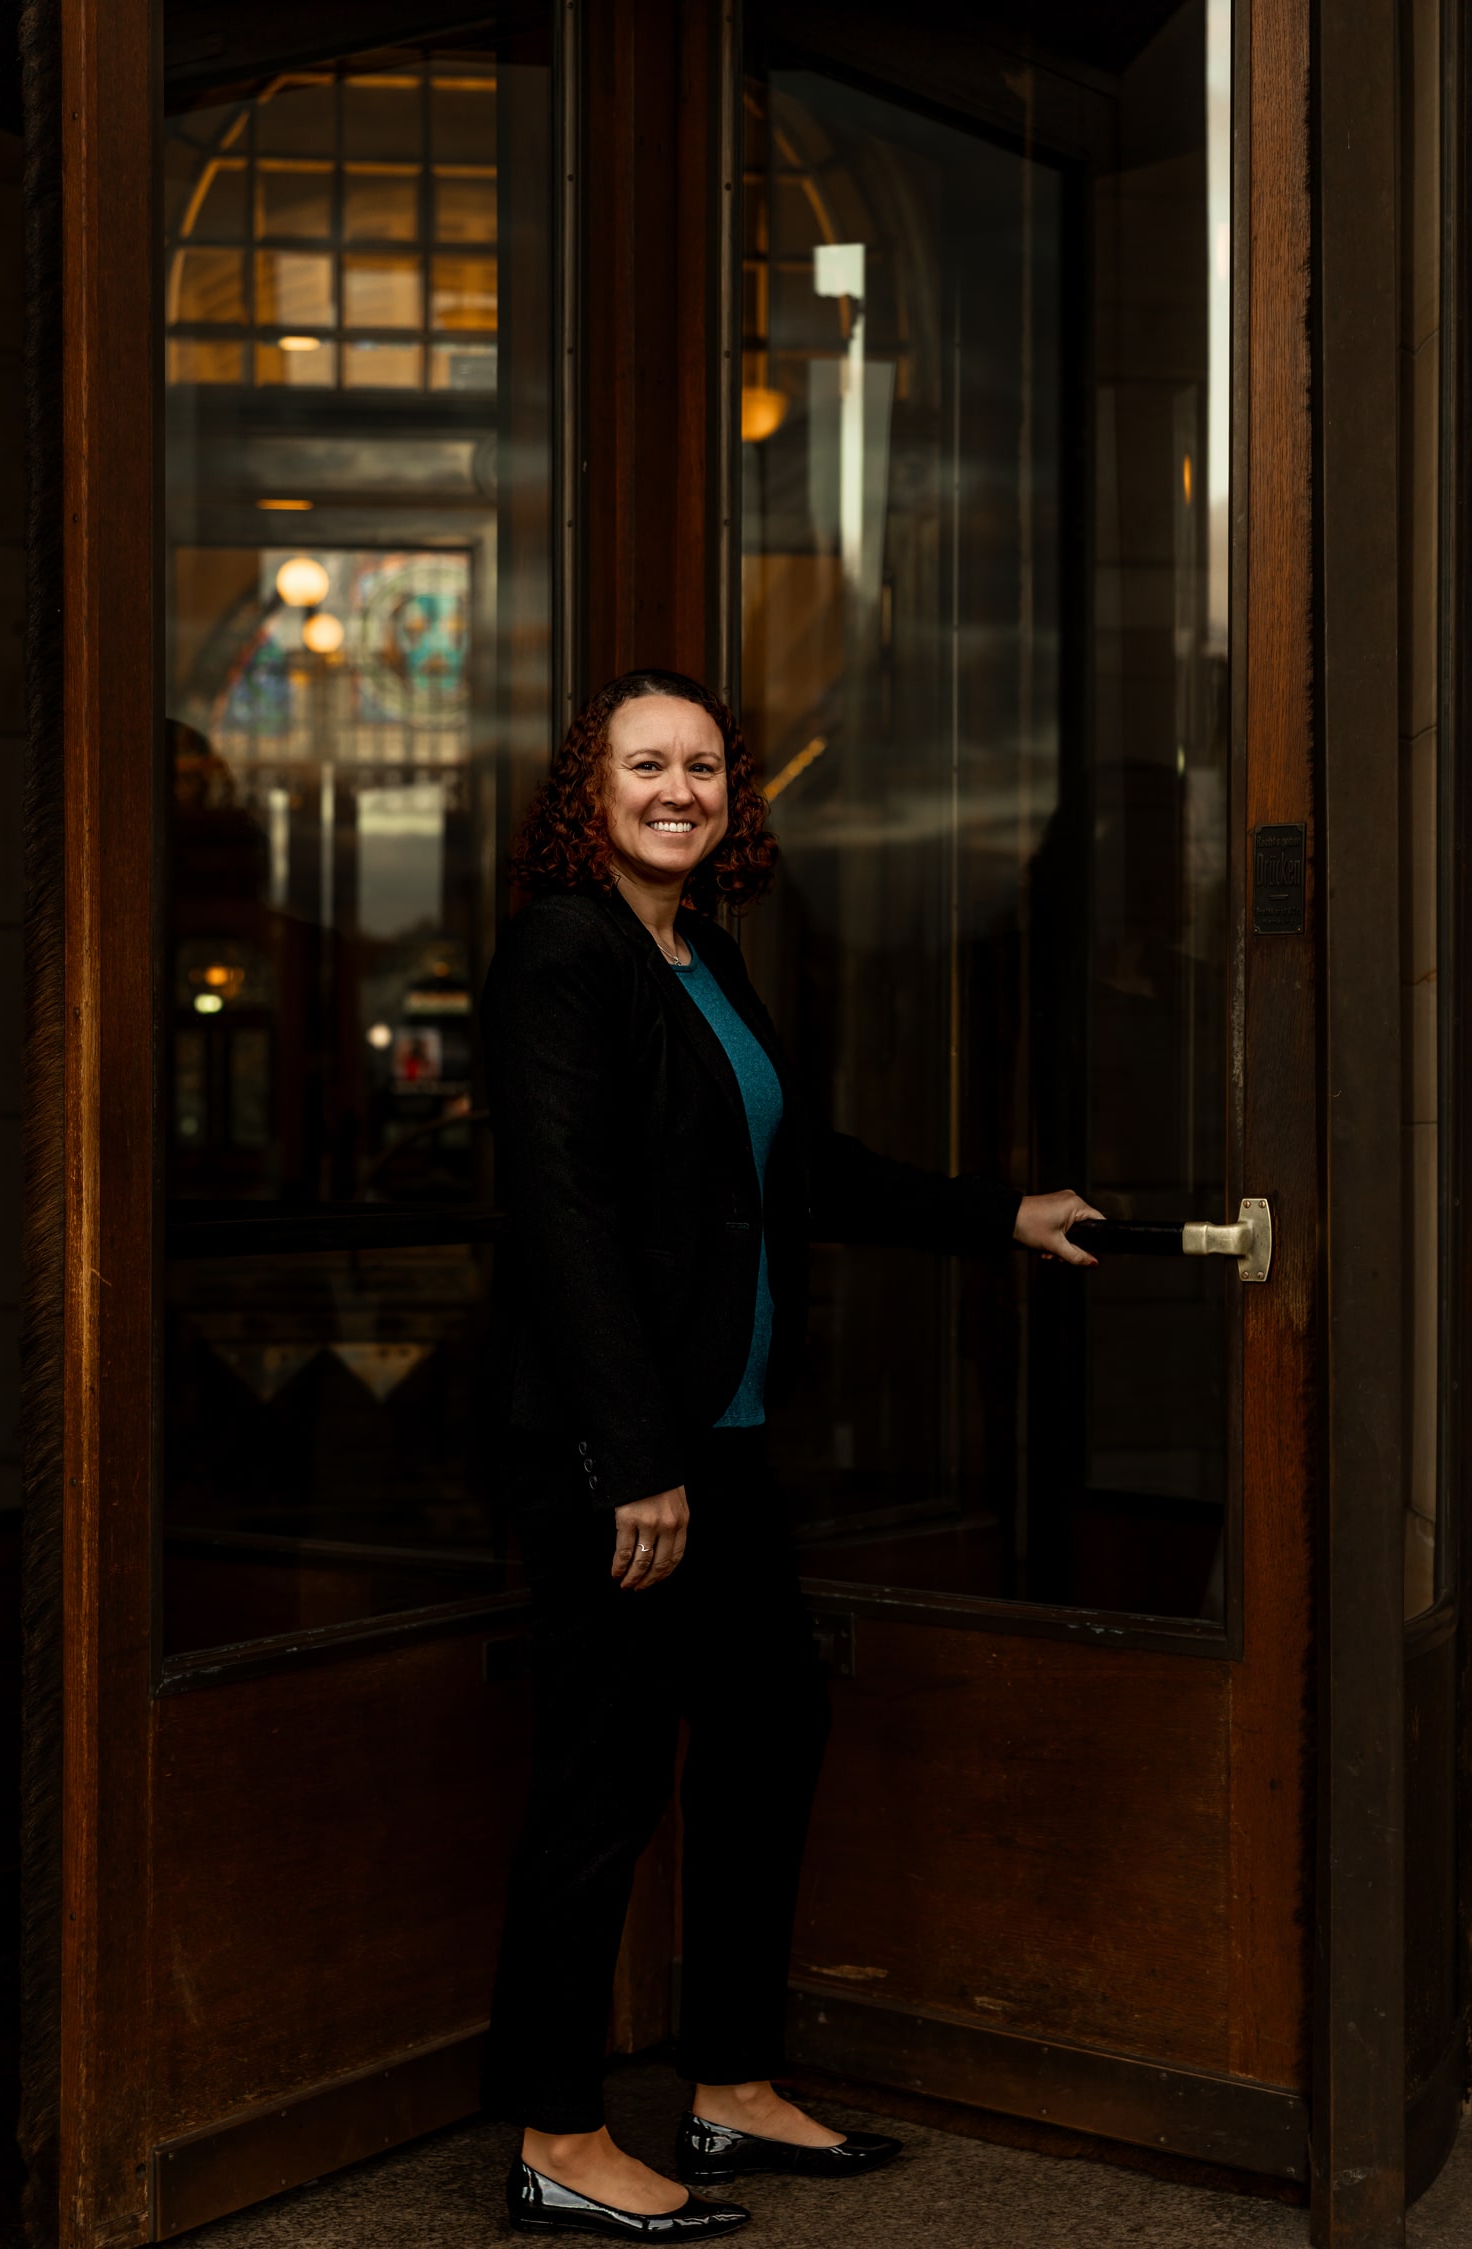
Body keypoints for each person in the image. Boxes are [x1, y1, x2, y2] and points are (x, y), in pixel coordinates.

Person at [481, 668, 1102, 2239]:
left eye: (702, 764)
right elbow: (564, 1217)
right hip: (620, 1460)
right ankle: (558, 2132)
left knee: (768, 1736)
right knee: (603, 1781)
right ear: (590, 791)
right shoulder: (566, 951)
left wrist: (1000, 1213)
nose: (678, 787)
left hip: (723, 1441)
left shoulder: (699, 956)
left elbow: (795, 1164)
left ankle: (731, 2086)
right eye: (645, 764)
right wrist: (634, 1458)